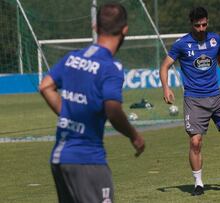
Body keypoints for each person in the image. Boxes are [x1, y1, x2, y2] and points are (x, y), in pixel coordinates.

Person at [39, 3, 145, 202]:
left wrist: (68, 112)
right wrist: (135, 136)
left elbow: (45, 86)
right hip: (88, 160)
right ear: (125, 30)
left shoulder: (72, 57)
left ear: (95, 27)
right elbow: (113, 110)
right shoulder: (110, 67)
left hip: (59, 159)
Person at [160, 6, 220, 196]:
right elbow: (164, 67)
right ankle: (198, 183)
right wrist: (166, 87)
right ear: (191, 24)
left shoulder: (215, 40)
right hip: (194, 100)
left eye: (204, 24)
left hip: (216, 96)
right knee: (195, 142)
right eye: (198, 25)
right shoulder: (181, 44)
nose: (202, 28)